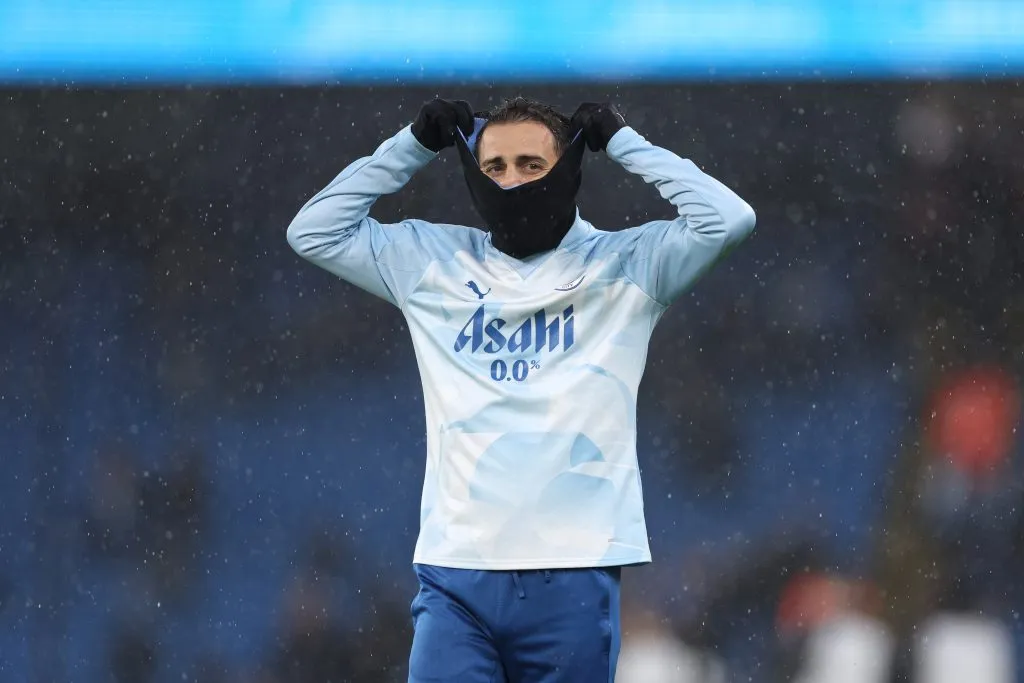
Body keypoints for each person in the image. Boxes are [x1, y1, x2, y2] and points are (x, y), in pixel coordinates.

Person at [286, 96, 756, 682]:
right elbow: (313, 232)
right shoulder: (431, 260)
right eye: (494, 168)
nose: (511, 182)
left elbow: (728, 218)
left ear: (568, 169)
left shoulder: (627, 265)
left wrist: (623, 141)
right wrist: (410, 145)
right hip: (456, 573)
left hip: (576, 570)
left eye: (531, 165)